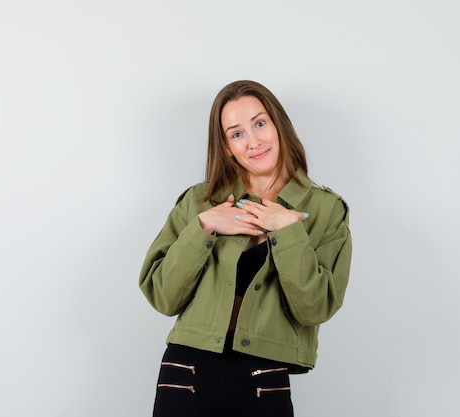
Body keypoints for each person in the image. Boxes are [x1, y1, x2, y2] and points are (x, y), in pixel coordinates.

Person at [139, 80, 352, 417]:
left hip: (263, 376)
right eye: (236, 133)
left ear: (278, 124)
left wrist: (288, 230)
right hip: (186, 372)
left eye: (259, 123)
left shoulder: (327, 210)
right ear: (226, 147)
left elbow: (315, 308)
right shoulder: (198, 201)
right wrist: (204, 227)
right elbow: (163, 297)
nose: (253, 141)